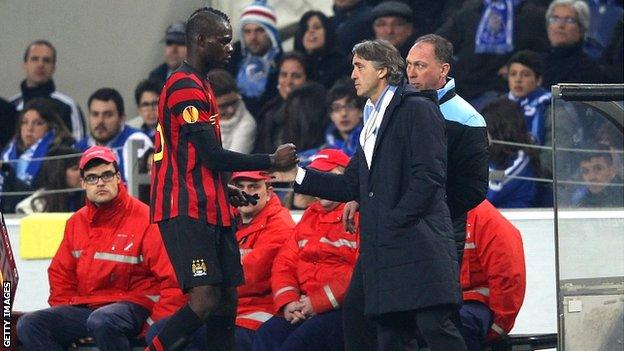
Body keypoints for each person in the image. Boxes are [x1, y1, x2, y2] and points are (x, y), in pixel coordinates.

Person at [281, 39, 466, 351]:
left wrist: (393, 222)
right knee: (382, 331)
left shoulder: (417, 108)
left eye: (359, 67)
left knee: (435, 328)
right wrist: (295, 176)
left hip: (417, 241)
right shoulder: (371, 118)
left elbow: (429, 177)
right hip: (385, 245)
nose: (353, 74)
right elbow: (351, 184)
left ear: (382, 71)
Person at [147, 7, 297, 351]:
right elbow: (211, 155)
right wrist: (271, 161)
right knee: (204, 299)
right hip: (185, 209)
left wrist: (221, 187)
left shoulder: (202, 83)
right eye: (224, 40)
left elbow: (192, 156)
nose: (231, 47)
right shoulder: (184, 85)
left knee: (228, 299)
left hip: (209, 204)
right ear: (200, 40)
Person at [16, 146, 180, 351]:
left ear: (118, 177)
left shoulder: (147, 219)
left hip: (134, 307)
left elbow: (172, 282)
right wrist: (69, 316)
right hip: (88, 310)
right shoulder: (76, 222)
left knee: (102, 321)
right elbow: (60, 277)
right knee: (29, 324)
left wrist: (152, 326)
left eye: (107, 175)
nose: (100, 182)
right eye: (92, 178)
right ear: (83, 183)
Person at [146, 170, 295, 350]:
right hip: (221, 310)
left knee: (191, 337)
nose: (246, 192)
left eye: (253, 186)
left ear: (269, 192)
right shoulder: (225, 218)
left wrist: (208, 281)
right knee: (160, 332)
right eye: (240, 187)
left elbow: (252, 277)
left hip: (256, 314)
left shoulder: (280, 224)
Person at [254, 149, 358, 351]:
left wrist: (316, 303)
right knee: (266, 336)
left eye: (329, 176)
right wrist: (289, 301)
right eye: (318, 176)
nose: (322, 185)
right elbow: (285, 263)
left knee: (297, 344)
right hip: (303, 306)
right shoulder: (310, 215)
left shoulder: (359, 216)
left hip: (341, 310)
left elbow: (358, 273)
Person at [405, 34, 489, 265]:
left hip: (442, 230)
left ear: (443, 70)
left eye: (420, 65)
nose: (411, 73)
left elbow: (474, 188)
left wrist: (429, 212)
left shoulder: (468, 118)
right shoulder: (396, 109)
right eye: (409, 64)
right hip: (398, 228)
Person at [437, 0, 549, 111]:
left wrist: (514, 64)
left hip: (501, 87)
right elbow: (439, 42)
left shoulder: (532, 14)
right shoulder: (471, 10)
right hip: (465, 85)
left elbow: (543, 52)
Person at [460, 199, 526, 350]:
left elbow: (508, 276)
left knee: (457, 324)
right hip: (440, 304)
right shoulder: (430, 212)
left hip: (474, 306)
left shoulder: (485, 219)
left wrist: (498, 326)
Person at [1, 98, 75, 213]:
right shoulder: (7, 151)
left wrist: (8, 173)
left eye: (38, 123)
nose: (29, 128)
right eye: (24, 122)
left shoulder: (58, 154)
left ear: (51, 127)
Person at [10, 40, 86, 141]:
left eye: (46, 60)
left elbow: (78, 150)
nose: (40, 64)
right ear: (25, 65)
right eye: (34, 59)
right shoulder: (11, 106)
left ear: (53, 68)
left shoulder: (67, 106)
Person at [75, 88, 153, 181]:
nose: (100, 121)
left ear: (122, 118)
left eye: (108, 115)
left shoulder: (137, 140)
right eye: (95, 114)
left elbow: (135, 189)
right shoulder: (79, 147)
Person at [225, 0, 282, 119]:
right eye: (247, 31)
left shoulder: (283, 66)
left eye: (259, 30)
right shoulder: (229, 62)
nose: (253, 37)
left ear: (271, 34)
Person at [483, 98, 540, 208]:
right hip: (496, 215)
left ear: (499, 130)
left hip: (517, 218)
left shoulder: (523, 158)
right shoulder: (495, 155)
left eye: (487, 128)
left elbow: (495, 189)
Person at [255, 51, 310, 153]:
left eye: (296, 76)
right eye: (284, 75)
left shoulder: (315, 111)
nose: (288, 81)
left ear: (307, 80)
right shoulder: (267, 111)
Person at [542, 0, 604, 88]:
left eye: (569, 20)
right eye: (555, 19)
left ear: (582, 28)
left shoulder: (588, 70)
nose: (560, 25)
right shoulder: (537, 64)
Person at [15, 145, 84, 214]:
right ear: (58, 172)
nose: (82, 173)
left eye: (82, 168)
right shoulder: (29, 208)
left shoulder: (87, 199)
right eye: (75, 169)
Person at [294, 11, 351, 89]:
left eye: (317, 27)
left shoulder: (342, 64)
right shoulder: (296, 68)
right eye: (305, 29)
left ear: (328, 32)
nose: (310, 31)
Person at [506, 50, 550, 145]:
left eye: (525, 74)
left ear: (538, 80)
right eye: (513, 74)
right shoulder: (497, 107)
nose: (518, 80)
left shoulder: (550, 106)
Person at [207, 69, 257, 154]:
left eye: (234, 102)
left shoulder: (247, 125)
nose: (231, 110)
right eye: (223, 106)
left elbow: (233, 164)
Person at [323, 80, 365, 157]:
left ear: (361, 111)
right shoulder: (323, 153)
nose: (344, 113)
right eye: (336, 108)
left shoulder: (370, 142)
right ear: (331, 115)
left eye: (350, 106)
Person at [149, 22, 188, 86]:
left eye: (180, 43)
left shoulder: (204, 78)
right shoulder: (156, 77)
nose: (173, 50)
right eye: (169, 43)